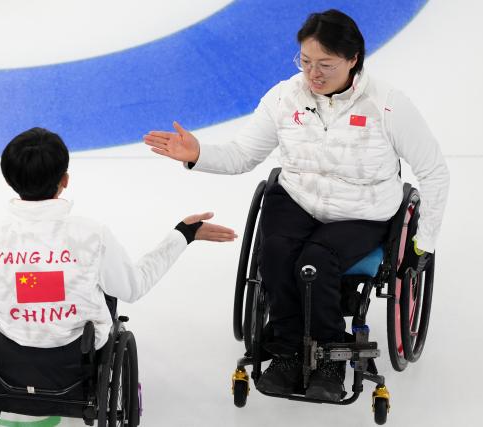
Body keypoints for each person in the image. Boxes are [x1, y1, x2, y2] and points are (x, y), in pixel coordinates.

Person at [144, 9, 449, 402]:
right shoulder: (285, 96)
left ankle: (328, 360)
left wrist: (424, 242)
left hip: (361, 210)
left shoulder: (388, 105)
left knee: (316, 262)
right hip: (297, 198)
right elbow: (242, 155)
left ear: (353, 59)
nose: (313, 74)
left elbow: (434, 171)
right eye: (305, 62)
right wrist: (197, 153)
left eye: (326, 64)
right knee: (275, 250)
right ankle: (287, 351)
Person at [0, 127, 236, 389]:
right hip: (77, 359)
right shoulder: (92, 236)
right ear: (64, 180)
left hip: (8, 359)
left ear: (9, 180)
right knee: (105, 289)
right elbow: (133, 287)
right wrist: (183, 235)